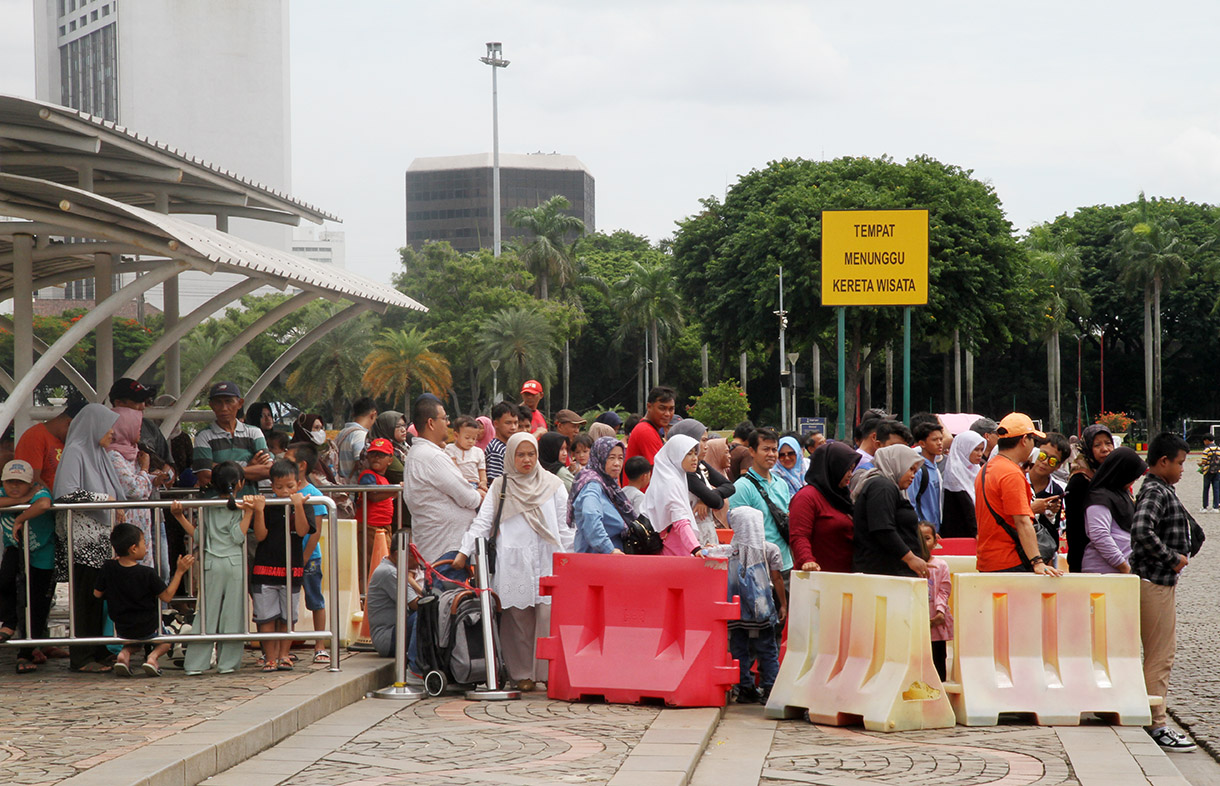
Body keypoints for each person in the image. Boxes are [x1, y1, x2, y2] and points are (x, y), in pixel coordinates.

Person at [453, 433, 571, 691]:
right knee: (517, 620)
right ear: (511, 457)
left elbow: (565, 527)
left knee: (548, 616)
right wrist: (464, 551)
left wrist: (571, 558)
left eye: (531, 454)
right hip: (514, 562)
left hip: (547, 559)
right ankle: (523, 674)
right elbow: (483, 524)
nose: (526, 460)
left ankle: (547, 671)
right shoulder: (500, 486)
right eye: (520, 454)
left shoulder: (553, 485)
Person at [1130, 433, 1200, 752]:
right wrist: (1173, 560)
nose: (1183, 469)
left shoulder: (1161, 489)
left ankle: (1150, 715)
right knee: (1160, 656)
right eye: (1180, 463)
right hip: (1154, 581)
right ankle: (1155, 721)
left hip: (1159, 582)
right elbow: (1142, 531)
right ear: (1163, 462)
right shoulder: (1155, 491)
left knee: (1160, 654)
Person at [53, 403, 125, 673]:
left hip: (100, 540)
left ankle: (98, 649)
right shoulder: (75, 451)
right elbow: (66, 493)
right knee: (85, 596)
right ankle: (82, 657)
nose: (112, 434)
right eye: (108, 427)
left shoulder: (98, 454)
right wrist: (104, 499)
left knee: (98, 595)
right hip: (83, 540)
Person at [169, 461, 259, 675]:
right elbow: (238, 537)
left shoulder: (207, 506)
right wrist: (248, 514)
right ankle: (228, 664)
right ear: (240, 483)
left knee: (206, 615)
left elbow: (198, 536)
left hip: (211, 564)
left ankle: (195, 664)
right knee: (233, 615)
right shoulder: (240, 506)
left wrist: (179, 517)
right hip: (234, 564)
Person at [94, 523, 194, 677]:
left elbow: (97, 593)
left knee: (134, 643)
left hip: (122, 626)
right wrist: (180, 572)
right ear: (133, 548)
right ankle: (152, 658)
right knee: (166, 640)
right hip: (147, 625)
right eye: (143, 543)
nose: (146, 547)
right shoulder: (147, 573)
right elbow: (166, 596)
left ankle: (124, 655)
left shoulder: (108, 567)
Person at [975, 413, 1062, 576]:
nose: (1033, 446)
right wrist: (1037, 562)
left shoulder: (986, 469)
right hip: (1011, 562)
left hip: (988, 561)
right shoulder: (1011, 473)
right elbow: (1022, 521)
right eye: (1032, 440)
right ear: (1024, 440)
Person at [402, 397, 484, 564]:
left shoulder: (422, 453)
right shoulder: (432, 457)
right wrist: (479, 493)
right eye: (445, 418)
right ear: (431, 423)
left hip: (440, 545)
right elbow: (468, 498)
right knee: (449, 590)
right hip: (445, 550)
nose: (448, 423)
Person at [251, 459, 315, 672]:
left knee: (288, 617)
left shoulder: (305, 504)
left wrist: (298, 505)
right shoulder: (268, 505)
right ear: (271, 485)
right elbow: (260, 535)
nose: (285, 491)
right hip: (265, 568)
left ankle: (284, 655)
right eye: (279, 487)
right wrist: (259, 511)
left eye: (290, 486)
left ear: (298, 483)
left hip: (292, 568)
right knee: (266, 617)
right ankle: (270, 657)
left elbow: (303, 531)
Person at [0, 459, 56, 673]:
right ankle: (9, 622)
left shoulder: (40, 492)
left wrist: (20, 517)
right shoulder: (14, 494)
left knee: (36, 605)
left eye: (20, 483)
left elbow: (43, 504)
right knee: (5, 581)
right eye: (10, 482)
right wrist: (23, 500)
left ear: (31, 483)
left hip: (42, 555)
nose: (14, 487)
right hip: (15, 549)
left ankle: (26, 652)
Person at [726, 507, 783, 704]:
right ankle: (770, 688)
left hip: (736, 613)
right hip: (762, 612)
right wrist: (782, 604)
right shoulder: (770, 549)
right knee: (767, 650)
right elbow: (777, 579)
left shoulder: (728, 551)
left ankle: (745, 688)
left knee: (739, 649)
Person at [106, 406, 171, 576]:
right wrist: (145, 467)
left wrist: (154, 479)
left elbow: (138, 480)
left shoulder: (132, 452)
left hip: (141, 523)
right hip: (128, 524)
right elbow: (133, 489)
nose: (140, 431)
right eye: (137, 426)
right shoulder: (114, 456)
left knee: (145, 571)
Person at [286, 442, 335, 664]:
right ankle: (287, 645)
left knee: (315, 599)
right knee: (289, 600)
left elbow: (316, 532)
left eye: (288, 460)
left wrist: (304, 556)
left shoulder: (313, 494)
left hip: (310, 557)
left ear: (302, 466)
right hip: (289, 555)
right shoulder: (286, 491)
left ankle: (320, 644)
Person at [851, 444, 928, 577]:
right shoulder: (882, 487)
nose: (913, 476)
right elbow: (882, 528)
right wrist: (910, 558)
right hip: (884, 573)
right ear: (897, 464)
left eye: (915, 472)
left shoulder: (888, 487)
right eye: (910, 469)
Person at [789, 441, 860, 573]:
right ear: (834, 467)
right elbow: (799, 535)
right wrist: (807, 560)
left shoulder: (841, 495)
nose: (850, 474)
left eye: (852, 469)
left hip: (846, 576)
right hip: (819, 578)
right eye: (847, 469)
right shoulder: (807, 497)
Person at [730, 429, 794, 572]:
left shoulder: (781, 483)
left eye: (774, 449)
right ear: (752, 451)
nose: (771, 454)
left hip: (786, 563)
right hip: (759, 567)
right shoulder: (741, 487)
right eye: (766, 449)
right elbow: (738, 532)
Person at [192, 382, 273, 488]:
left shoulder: (254, 433)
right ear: (211, 405)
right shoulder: (203, 436)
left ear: (240, 403)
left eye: (229, 401)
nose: (224, 408)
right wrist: (250, 467)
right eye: (218, 402)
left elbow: (268, 471)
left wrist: (221, 469)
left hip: (249, 502)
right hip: (217, 502)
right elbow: (205, 476)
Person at [1080, 447, 1147, 574]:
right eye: (1132, 477)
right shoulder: (1099, 498)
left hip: (1121, 571)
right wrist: (1124, 567)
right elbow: (1100, 536)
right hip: (1104, 572)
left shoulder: (1122, 494)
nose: (1133, 481)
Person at [669, 418, 736, 537]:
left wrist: (704, 498)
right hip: (690, 535)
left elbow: (730, 487)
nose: (706, 446)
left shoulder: (700, 465)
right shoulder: (684, 472)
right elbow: (716, 502)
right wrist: (709, 497)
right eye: (703, 441)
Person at [642, 435, 704, 557]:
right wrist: (696, 548)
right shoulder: (670, 481)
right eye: (688, 454)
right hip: (673, 550)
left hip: (672, 545)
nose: (694, 458)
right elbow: (680, 519)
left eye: (695, 453)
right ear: (676, 455)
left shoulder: (671, 477)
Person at [1065, 423, 1115, 573]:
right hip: (1088, 556)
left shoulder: (1113, 474)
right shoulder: (1079, 481)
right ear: (1087, 449)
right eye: (1097, 445)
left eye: (1108, 443)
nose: (1104, 449)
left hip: (1114, 552)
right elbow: (1074, 528)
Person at [570, 437, 631, 554]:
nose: (617, 463)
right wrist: (609, 549)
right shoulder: (593, 485)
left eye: (620, 458)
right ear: (600, 457)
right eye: (611, 458)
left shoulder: (609, 485)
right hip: (596, 561)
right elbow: (590, 514)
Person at [366, 529, 418, 658]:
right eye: (414, 555)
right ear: (397, 554)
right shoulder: (389, 572)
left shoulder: (394, 569)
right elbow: (416, 604)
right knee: (424, 616)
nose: (419, 560)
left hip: (395, 633)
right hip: (388, 638)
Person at [14, 397, 85, 489]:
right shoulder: (35, 436)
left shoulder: (68, 441)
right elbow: (31, 479)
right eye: (79, 432)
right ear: (70, 423)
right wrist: (54, 499)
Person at [920, 522, 953, 681]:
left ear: (935, 541)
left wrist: (940, 612)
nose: (923, 543)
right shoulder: (908, 566)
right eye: (919, 538)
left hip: (937, 621)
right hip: (917, 622)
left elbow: (944, 590)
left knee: (938, 658)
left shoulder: (940, 566)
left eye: (927, 538)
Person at [1028, 433, 1069, 558]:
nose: (1044, 462)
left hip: (1044, 553)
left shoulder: (1057, 491)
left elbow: (1054, 530)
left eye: (1052, 460)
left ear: (1058, 466)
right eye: (1042, 455)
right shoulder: (1017, 480)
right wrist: (1032, 509)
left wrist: (1051, 515)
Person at [625, 387, 677, 485]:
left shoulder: (650, 429)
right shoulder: (646, 431)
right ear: (649, 406)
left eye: (671, 409)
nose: (667, 414)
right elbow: (662, 470)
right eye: (662, 408)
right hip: (642, 497)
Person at [940, 430, 985, 538]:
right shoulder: (955, 471)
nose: (980, 454)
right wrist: (976, 531)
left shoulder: (975, 468)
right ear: (965, 449)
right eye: (976, 450)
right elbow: (966, 503)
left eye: (981, 450)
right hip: (959, 532)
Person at [907, 420, 945, 530]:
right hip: (923, 531)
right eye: (934, 440)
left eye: (941, 439)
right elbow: (911, 502)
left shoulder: (935, 468)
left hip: (935, 529)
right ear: (922, 443)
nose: (939, 443)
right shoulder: (918, 470)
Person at [334, 396, 378, 483]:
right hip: (353, 490)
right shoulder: (360, 435)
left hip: (341, 486)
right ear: (373, 414)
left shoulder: (342, 433)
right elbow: (361, 463)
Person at [366, 410, 409, 484]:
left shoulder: (404, 447)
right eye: (398, 426)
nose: (403, 430)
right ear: (386, 428)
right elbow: (401, 475)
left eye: (404, 425)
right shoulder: (380, 448)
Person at [446, 416, 488, 490]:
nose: (471, 441)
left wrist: (483, 482)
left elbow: (482, 470)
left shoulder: (478, 452)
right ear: (456, 436)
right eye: (467, 438)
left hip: (475, 483)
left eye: (474, 438)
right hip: (458, 483)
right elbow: (454, 468)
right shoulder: (450, 449)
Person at [484, 402, 518, 482]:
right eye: (508, 423)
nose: (513, 427)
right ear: (496, 424)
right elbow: (496, 481)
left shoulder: (509, 446)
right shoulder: (496, 449)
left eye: (515, 423)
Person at [1199, 434, 1220, 513]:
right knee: (1216, 489)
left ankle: (1205, 506)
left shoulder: (1207, 450)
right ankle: (1215, 506)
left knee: (1206, 488)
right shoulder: (1218, 449)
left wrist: (1200, 464)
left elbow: (1204, 461)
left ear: (1207, 440)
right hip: (1217, 471)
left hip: (1207, 471)